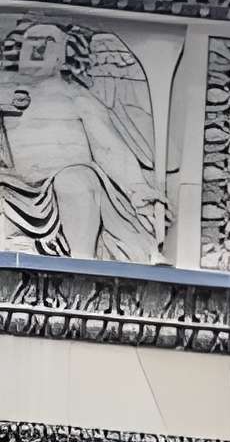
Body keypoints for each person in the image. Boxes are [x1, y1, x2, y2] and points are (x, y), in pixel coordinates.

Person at [0, 24, 165, 263]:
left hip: (70, 181)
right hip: (15, 188)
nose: (38, 47)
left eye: (48, 40)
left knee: (75, 181)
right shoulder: (5, 93)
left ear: (62, 56)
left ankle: (80, 264)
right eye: (32, 40)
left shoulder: (77, 97)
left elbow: (109, 148)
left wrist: (137, 188)